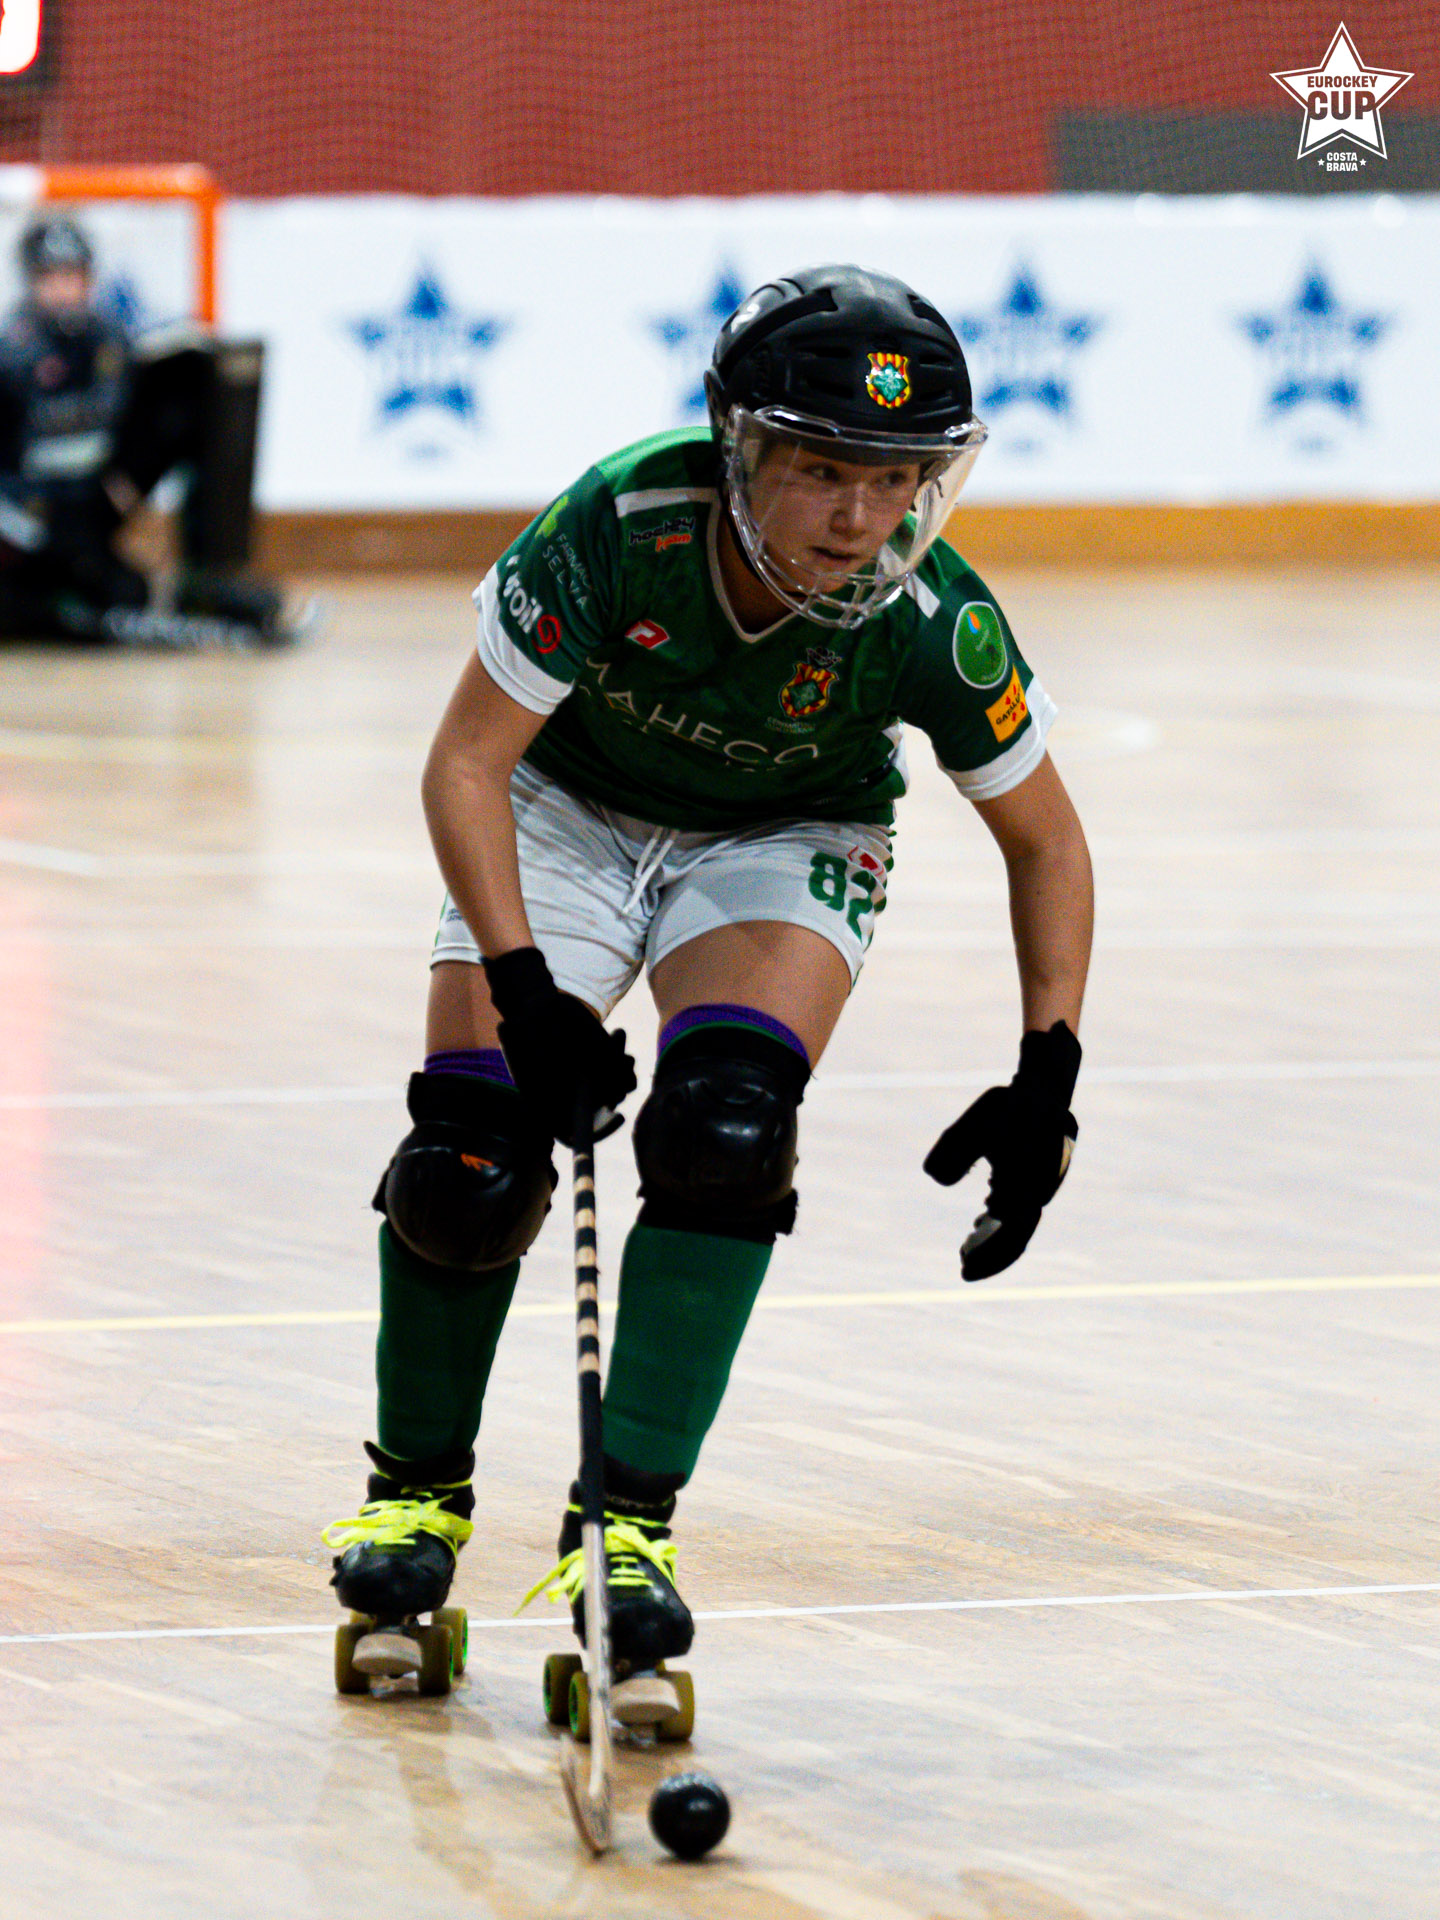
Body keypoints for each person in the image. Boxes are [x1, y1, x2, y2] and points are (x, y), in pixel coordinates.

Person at [323, 264, 1094, 1701]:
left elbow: (1045, 837)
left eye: (896, 480)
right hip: (566, 808)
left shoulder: (931, 613)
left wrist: (1049, 1072)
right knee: (470, 1162)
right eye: (821, 473)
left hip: (787, 831)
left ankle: (627, 1531)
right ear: (739, 448)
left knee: (726, 1135)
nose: (859, 520)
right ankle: (412, 1500)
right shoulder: (621, 524)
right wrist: (526, 991)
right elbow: (467, 763)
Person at [0, 211, 286, 644]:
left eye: (73, 275)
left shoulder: (110, 342)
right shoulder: (10, 355)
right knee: (29, 608)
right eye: (49, 277)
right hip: (28, 523)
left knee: (201, 377)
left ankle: (209, 579)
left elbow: (134, 432)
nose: (63, 289)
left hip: (87, 512)